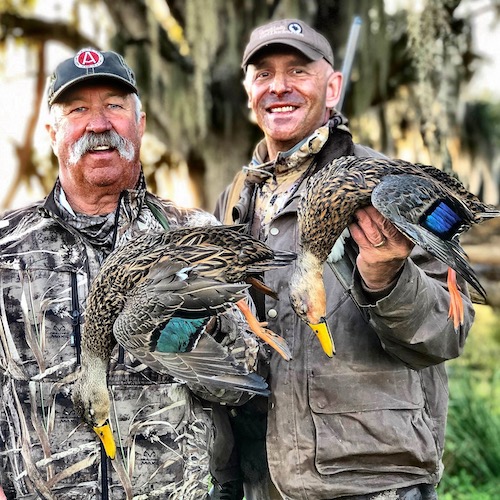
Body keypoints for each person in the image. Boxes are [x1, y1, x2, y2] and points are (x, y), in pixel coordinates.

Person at [213, 19, 475, 500]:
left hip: (370, 481)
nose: (279, 87)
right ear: (248, 91)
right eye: (264, 74)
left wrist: (387, 279)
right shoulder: (236, 198)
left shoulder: (387, 187)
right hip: (263, 480)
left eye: (298, 71)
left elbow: (449, 329)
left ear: (333, 87)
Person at [0, 48, 259, 500]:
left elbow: (242, 382)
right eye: (78, 109)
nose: (98, 124)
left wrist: (192, 317)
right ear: (52, 133)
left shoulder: (194, 236)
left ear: (139, 124)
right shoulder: (7, 248)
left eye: (115, 106)